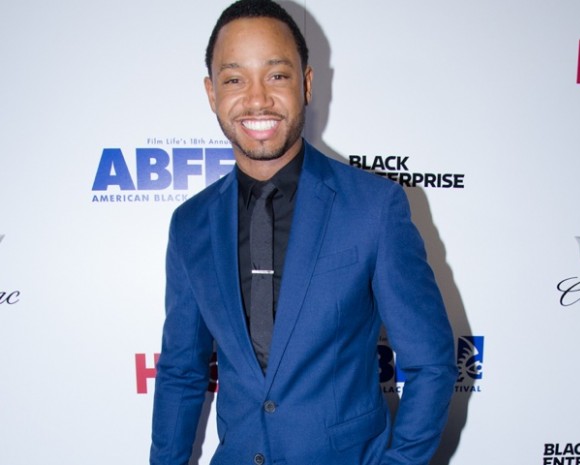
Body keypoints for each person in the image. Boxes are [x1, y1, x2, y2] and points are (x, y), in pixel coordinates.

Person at [150, 1, 457, 465]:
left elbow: (431, 364)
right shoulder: (190, 224)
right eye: (234, 80)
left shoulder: (374, 207)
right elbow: (180, 373)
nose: (257, 99)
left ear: (307, 84)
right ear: (211, 93)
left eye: (276, 75)